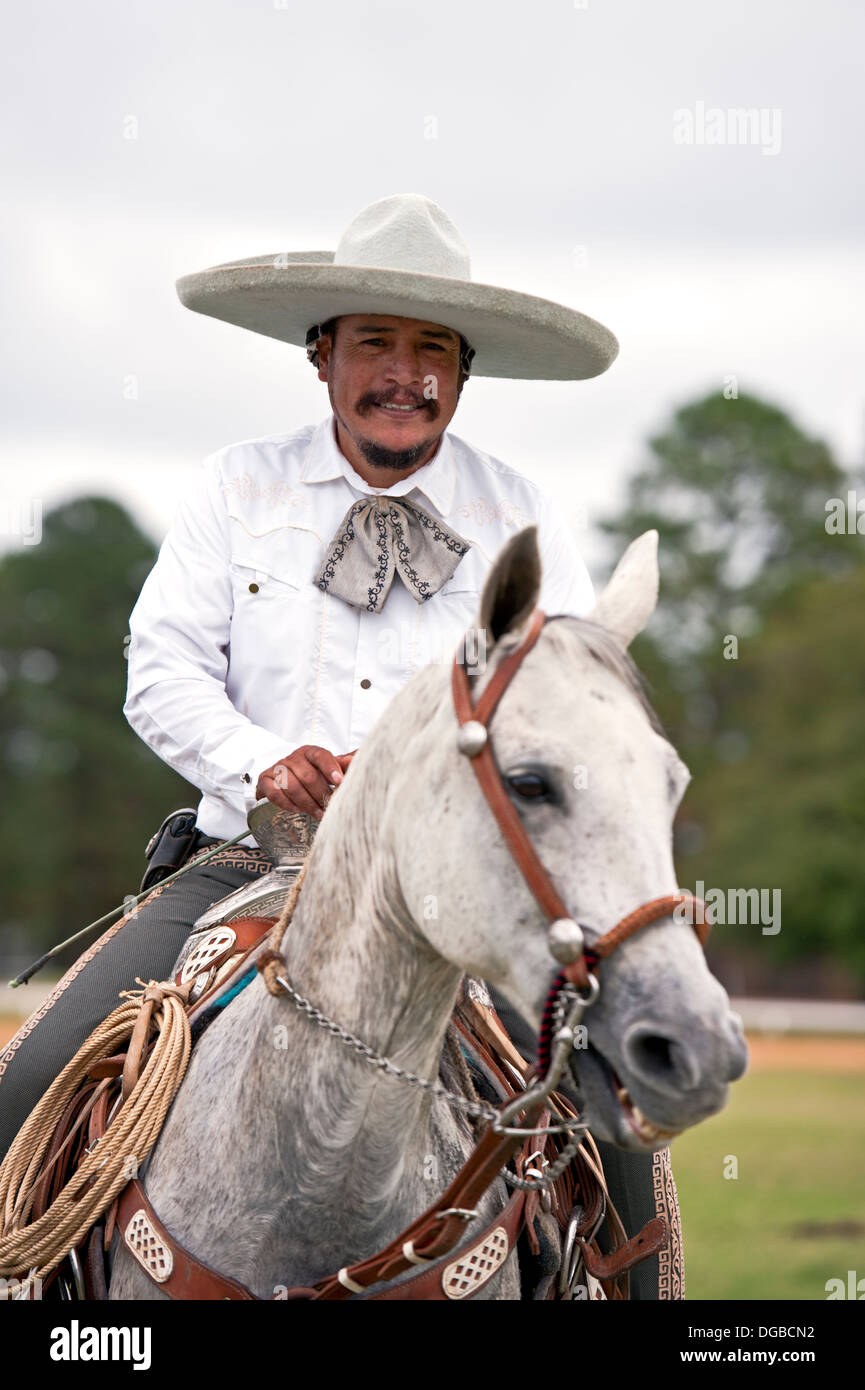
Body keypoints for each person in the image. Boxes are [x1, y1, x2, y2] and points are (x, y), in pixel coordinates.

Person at [0, 193, 682, 1298]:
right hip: (245, 864)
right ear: (322, 357)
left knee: (621, 1147)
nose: (402, 373)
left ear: (462, 374)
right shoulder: (238, 485)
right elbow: (158, 665)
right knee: (26, 1080)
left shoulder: (520, 513)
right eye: (374, 342)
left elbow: (558, 714)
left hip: (447, 892)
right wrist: (260, 760)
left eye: (430, 350)